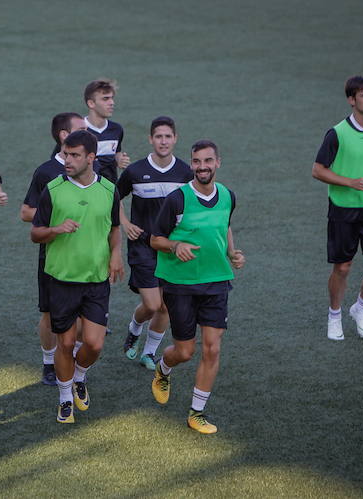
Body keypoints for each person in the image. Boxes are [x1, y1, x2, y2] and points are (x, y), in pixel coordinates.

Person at [149, 140, 245, 434]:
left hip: (216, 281)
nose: (202, 167)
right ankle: (163, 368)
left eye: (208, 161)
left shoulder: (228, 195)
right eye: (196, 161)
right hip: (181, 284)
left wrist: (232, 252)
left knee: (212, 349)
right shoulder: (177, 199)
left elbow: (225, 224)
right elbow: (155, 239)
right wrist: (175, 244)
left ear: (218, 163)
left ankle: (197, 412)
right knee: (185, 351)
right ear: (191, 164)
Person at [31, 130, 123, 424]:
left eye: (74, 156)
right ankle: (65, 398)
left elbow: (114, 229)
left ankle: (79, 376)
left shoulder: (109, 190)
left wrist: (117, 255)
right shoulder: (54, 189)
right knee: (66, 344)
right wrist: (56, 229)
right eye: (65, 154)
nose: (67, 160)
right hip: (61, 280)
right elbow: (35, 233)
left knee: (94, 344)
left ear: (91, 158)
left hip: (96, 280)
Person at [311, 75, 363, 341]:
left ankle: (360, 307)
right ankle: (334, 315)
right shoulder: (337, 133)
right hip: (343, 209)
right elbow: (317, 170)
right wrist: (349, 182)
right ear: (351, 100)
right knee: (343, 268)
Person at [116, 116, 192, 369]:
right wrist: (125, 223)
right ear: (150, 139)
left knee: (166, 307)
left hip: (171, 249)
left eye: (167, 136)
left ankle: (148, 353)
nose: (163, 141)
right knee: (152, 304)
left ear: (175, 138)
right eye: (158, 136)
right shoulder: (135, 171)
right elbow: (113, 197)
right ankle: (134, 329)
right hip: (143, 246)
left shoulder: (185, 173)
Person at [20, 112, 88, 385]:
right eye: (81, 129)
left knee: (85, 314)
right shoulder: (46, 171)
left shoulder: (91, 167)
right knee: (49, 313)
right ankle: (50, 363)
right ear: (63, 136)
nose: (89, 132)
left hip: (87, 254)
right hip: (53, 254)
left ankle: (74, 362)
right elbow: (26, 212)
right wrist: (57, 220)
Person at [83, 79, 130, 184]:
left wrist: (119, 160)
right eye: (105, 99)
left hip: (109, 192)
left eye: (112, 98)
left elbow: (116, 152)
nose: (112, 103)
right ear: (91, 103)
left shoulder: (116, 129)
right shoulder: (79, 130)